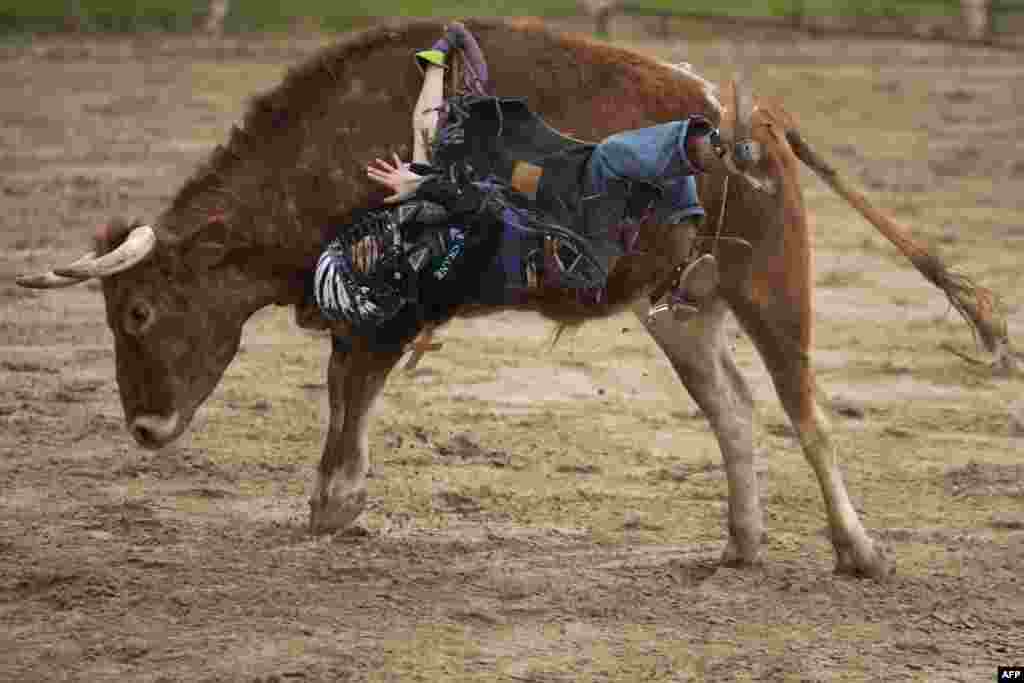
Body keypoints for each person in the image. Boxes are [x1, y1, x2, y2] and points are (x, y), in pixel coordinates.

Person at [313, 23, 727, 340]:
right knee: (612, 158)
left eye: (352, 251)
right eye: (361, 260)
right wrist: (426, 185)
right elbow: (480, 210)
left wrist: (436, 68)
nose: (362, 244)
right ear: (375, 284)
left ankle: (680, 268)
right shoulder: (432, 277)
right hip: (572, 247)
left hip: (549, 206)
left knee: (631, 162)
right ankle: (707, 150)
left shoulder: (411, 239)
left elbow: (427, 130)